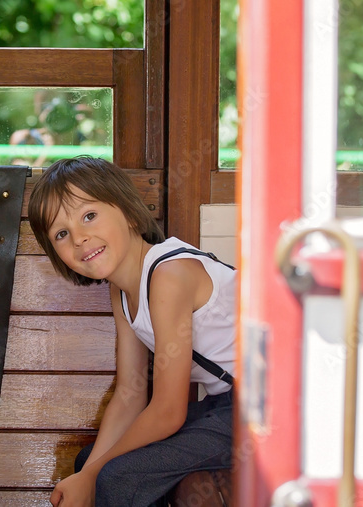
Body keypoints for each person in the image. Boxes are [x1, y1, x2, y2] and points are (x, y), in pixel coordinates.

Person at [28, 157, 236, 507]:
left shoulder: (169, 276)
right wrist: (88, 471)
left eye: (89, 216)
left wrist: (94, 476)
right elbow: (129, 393)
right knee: (89, 461)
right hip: (226, 404)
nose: (79, 238)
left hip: (276, 408)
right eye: (61, 233)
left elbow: (169, 411)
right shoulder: (122, 290)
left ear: (127, 212)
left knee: (115, 476)